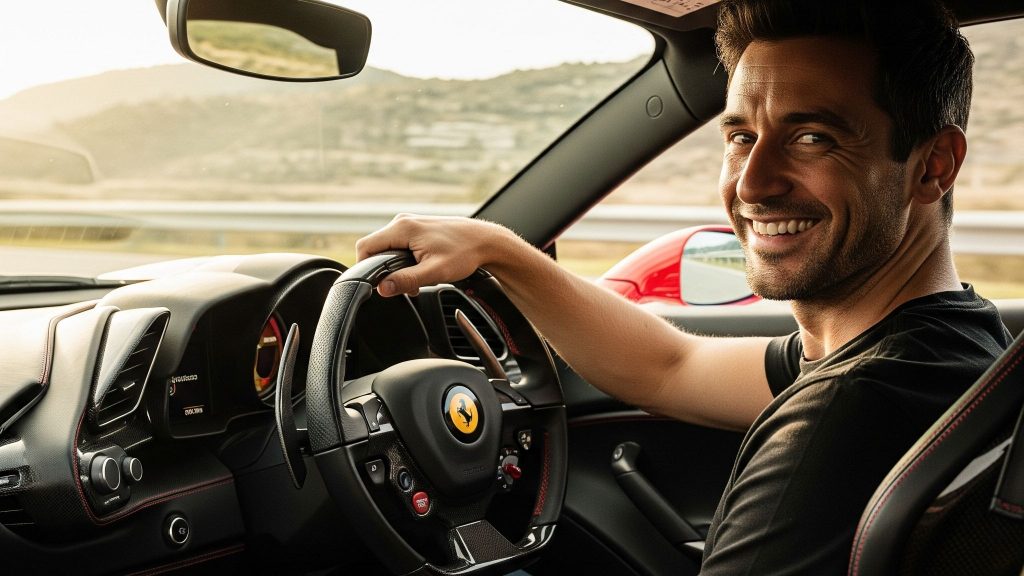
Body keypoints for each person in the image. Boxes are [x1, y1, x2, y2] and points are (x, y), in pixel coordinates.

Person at [355, 0, 1011, 573]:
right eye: (741, 136)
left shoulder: (847, 416)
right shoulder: (947, 340)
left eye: (812, 137)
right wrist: (499, 249)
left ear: (934, 166)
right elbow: (670, 366)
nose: (752, 184)